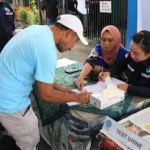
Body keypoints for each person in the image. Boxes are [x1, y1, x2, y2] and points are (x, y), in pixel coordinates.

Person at [0, 14, 91, 150]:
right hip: (9, 102)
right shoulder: (46, 48)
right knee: (30, 138)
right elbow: (46, 95)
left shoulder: (39, 30)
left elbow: (37, 71)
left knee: (21, 133)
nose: (72, 47)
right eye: (75, 41)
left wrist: (59, 88)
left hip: (5, 92)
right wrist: (77, 97)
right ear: (69, 34)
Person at [99, 30, 150, 98]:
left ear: (148, 54)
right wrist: (108, 73)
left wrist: (129, 89)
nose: (132, 55)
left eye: (136, 53)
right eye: (131, 50)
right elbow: (118, 65)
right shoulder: (129, 57)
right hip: (125, 94)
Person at [75, 25, 128, 90]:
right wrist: (82, 75)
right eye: (103, 40)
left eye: (110, 40)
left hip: (118, 86)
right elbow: (90, 61)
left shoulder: (125, 54)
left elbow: (126, 77)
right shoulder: (98, 49)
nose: (106, 43)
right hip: (102, 84)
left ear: (116, 40)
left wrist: (107, 73)